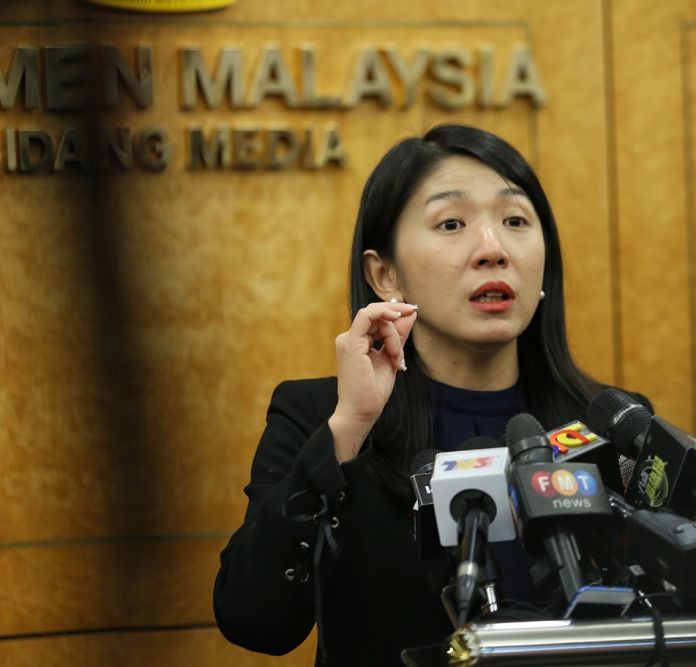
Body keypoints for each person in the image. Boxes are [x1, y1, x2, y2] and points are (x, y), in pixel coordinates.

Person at [213, 125, 643, 666]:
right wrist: (348, 430)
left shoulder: (613, 421)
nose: (493, 249)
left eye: (515, 221)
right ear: (385, 275)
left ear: (543, 268)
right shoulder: (321, 419)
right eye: (452, 223)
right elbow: (255, 620)